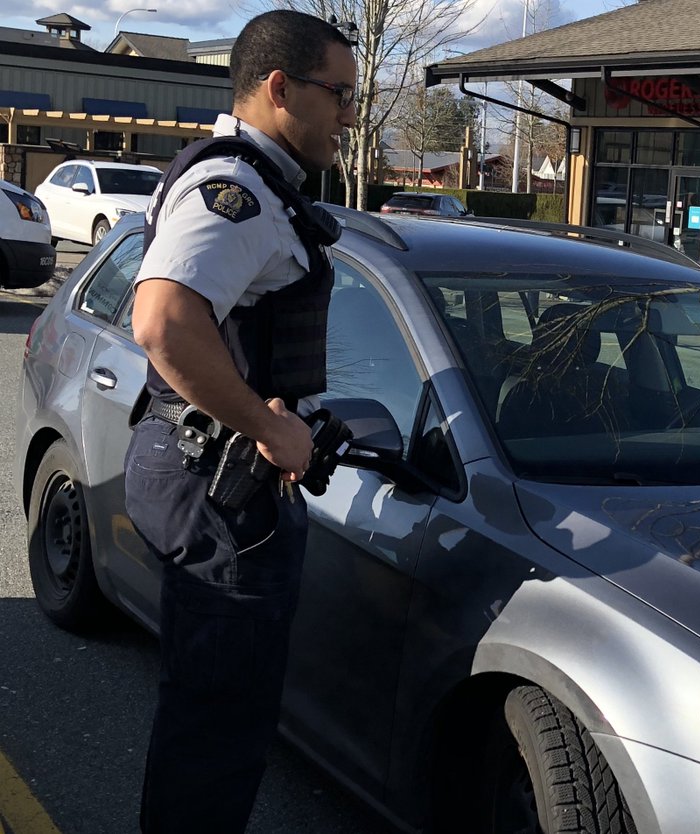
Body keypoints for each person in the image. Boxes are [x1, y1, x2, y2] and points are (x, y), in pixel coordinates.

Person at [123, 11, 356, 833]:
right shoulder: (239, 191)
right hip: (219, 485)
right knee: (218, 726)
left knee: (214, 714)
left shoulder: (257, 184)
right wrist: (270, 426)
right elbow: (162, 321)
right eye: (338, 94)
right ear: (279, 88)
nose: (349, 115)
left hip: (207, 473)